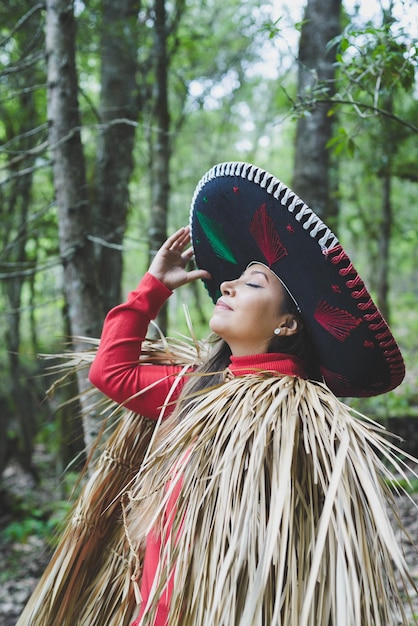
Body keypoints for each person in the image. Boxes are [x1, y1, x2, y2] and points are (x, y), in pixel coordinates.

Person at [17, 162, 417, 626]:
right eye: (235, 278)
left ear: (287, 324)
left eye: (251, 282)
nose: (225, 283)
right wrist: (151, 289)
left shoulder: (304, 423)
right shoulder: (198, 389)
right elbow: (112, 373)